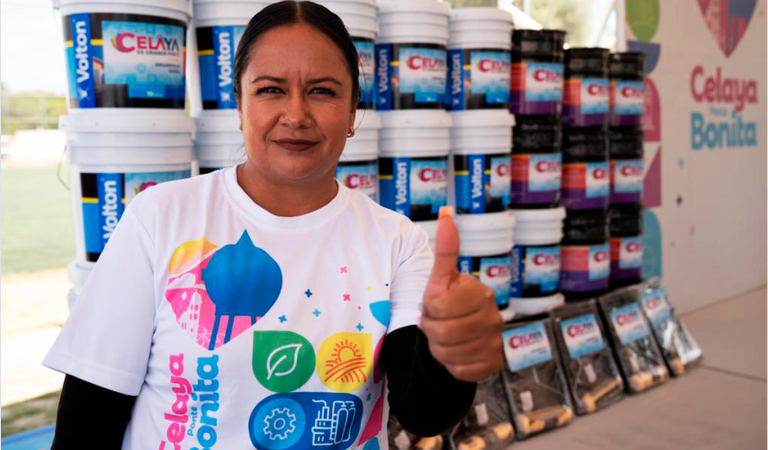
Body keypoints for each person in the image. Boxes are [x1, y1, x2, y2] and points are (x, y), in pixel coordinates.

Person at [44, 2, 503, 448]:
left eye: (322, 91)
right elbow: (88, 422)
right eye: (270, 90)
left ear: (352, 113)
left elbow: (424, 413)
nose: (296, 115)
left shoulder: (397, 241)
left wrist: (451, 356)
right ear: (239, 105)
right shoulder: (160, 218)